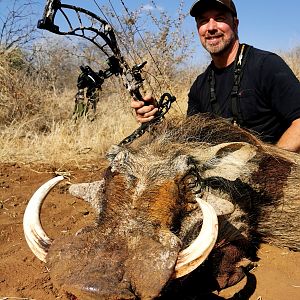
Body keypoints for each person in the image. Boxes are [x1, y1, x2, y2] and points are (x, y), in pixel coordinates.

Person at [130, 0, 300, 153]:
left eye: (219, 18)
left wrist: (269, 169)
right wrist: (155, 121)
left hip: (274, 179)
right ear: (198, 29)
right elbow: (191, 145)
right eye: (203, 21)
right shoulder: (199, 86)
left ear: (235, 24)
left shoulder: (266, 65)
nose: (211, 27)